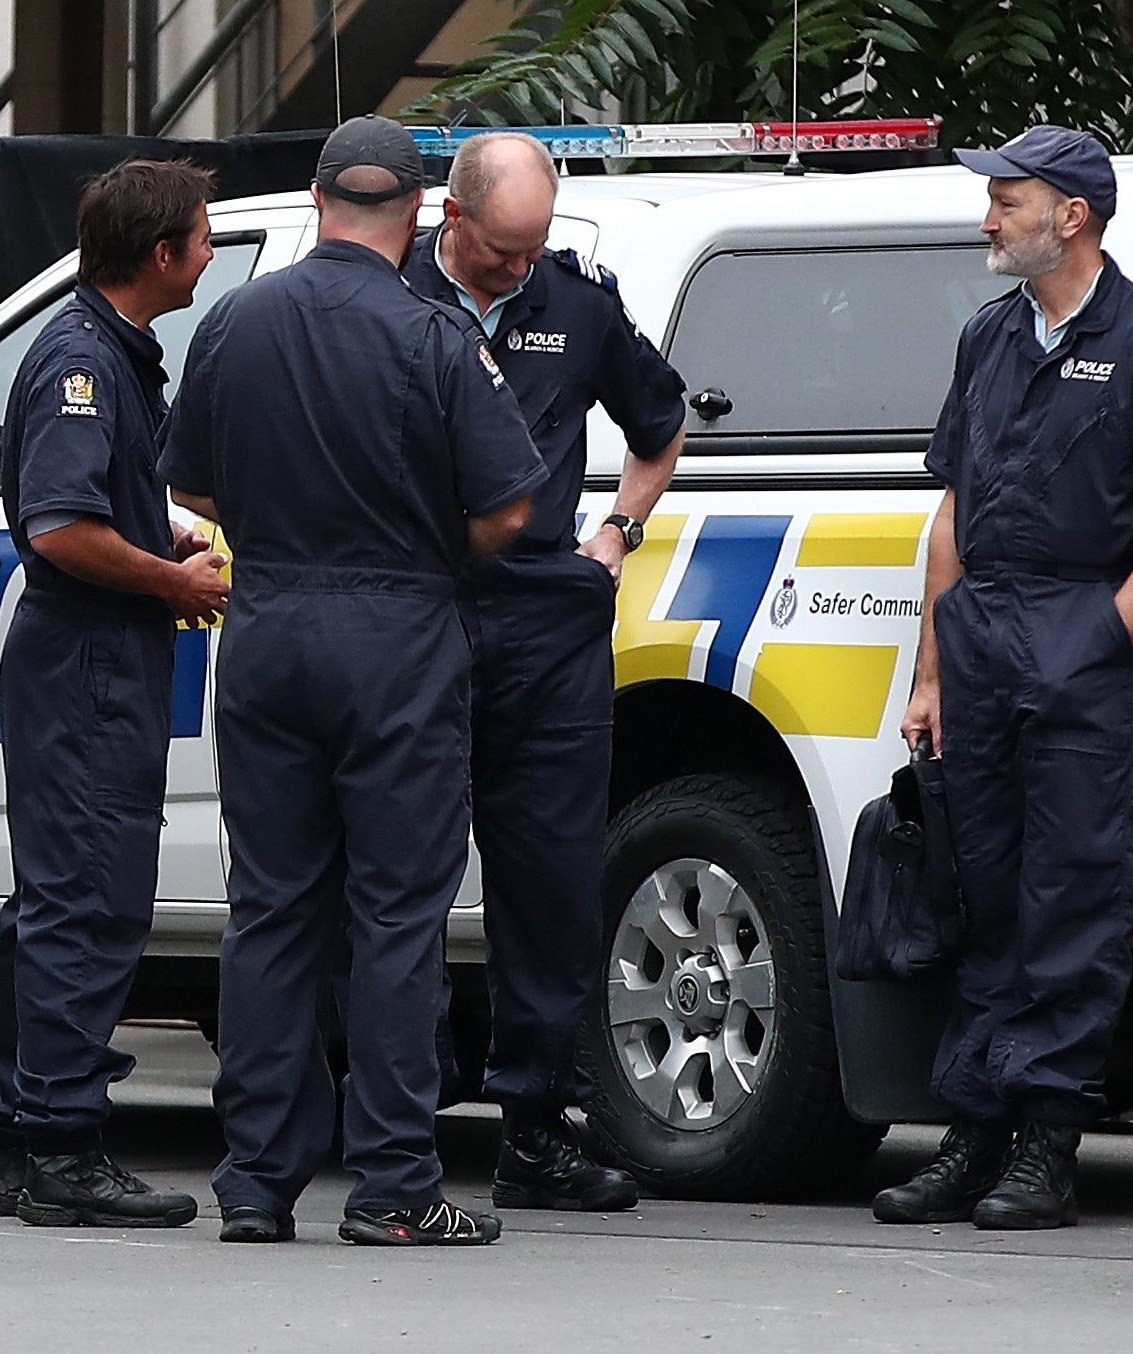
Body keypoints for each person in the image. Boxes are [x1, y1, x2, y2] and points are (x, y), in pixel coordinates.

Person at [160, 115, 546, 1248]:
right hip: (397, 640)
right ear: (424, 213)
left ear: (318, 200)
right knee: (393, 915)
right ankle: (388, 1186)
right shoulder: (434, 338)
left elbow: (196, 488)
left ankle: (253, 1182)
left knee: (271, 910)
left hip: (269, 627)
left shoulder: (233, 323)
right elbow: (508, 508)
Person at [875, 126, 1133, 1230]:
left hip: (1078, 638)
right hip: (980, 639)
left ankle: (1044, 1142)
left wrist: (1093, 640)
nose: (986, 218)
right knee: (979, 891)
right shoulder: (988, 337)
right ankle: (972, 1134)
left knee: (1070, 895)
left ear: (1067, 215)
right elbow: (951, 511)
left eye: (1006, 200)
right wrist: (931, 666)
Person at [401, 132, 687, 1212]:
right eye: (500, 253)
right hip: (421, 610)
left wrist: (613, 532)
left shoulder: (576, 301)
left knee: (552, 882)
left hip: (543, 622)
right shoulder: (385, 293)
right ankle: (398, 1119)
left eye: (533, 252)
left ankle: (535, 1127)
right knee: (400, 875)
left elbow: (656, 429)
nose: (517, 272)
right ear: (449, 218)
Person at [0, 158, 231, 1229]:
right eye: (203, 236)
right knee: (88, 898)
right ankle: (61, 1150)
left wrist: (158, 525)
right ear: (162, 253)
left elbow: (98, 504)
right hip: (88, 661)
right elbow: (60, 528)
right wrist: (169, 576)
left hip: (92, 657)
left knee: (55, 900)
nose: (211, 253)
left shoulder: (113, 353)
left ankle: (22, 1140)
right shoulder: (83, 363)